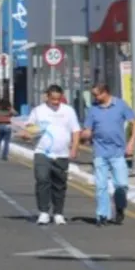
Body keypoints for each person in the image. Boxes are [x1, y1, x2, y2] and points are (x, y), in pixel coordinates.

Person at [19, 84, 81, 225]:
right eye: (53, 99)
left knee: (59, 184)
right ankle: (44, 212)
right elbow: (29, 128)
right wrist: (25, 134)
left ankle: (58, 213)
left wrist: (74, 148)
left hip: (62, 154)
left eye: (58, 99)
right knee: (42, 180)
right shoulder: (38, 111)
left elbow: (76, 130)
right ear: (46, 96)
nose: (56, 102)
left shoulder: (68, 111)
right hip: (42, 152)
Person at [80, 82, 135, 227]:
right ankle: (102, 215)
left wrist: (131, 143)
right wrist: (85, 134)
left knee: (121, 185)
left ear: (106, 92)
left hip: (118, 152)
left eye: (97, 94)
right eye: (94, 95)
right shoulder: (93, 109)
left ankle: (119, 208)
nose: (96, 97)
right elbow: (88, 128)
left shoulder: (120, 105)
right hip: (100, 152)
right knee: (101, 186)